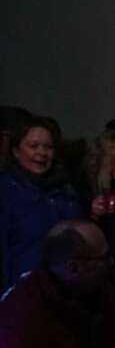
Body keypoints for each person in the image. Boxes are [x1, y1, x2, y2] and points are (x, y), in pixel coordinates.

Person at [0, 117, 82, 289]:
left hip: (63, 291)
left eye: (48, 147)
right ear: (16, 151)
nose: (42, 153)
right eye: (33, 146)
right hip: (21, 292)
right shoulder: (6, 190)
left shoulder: (66, 191)